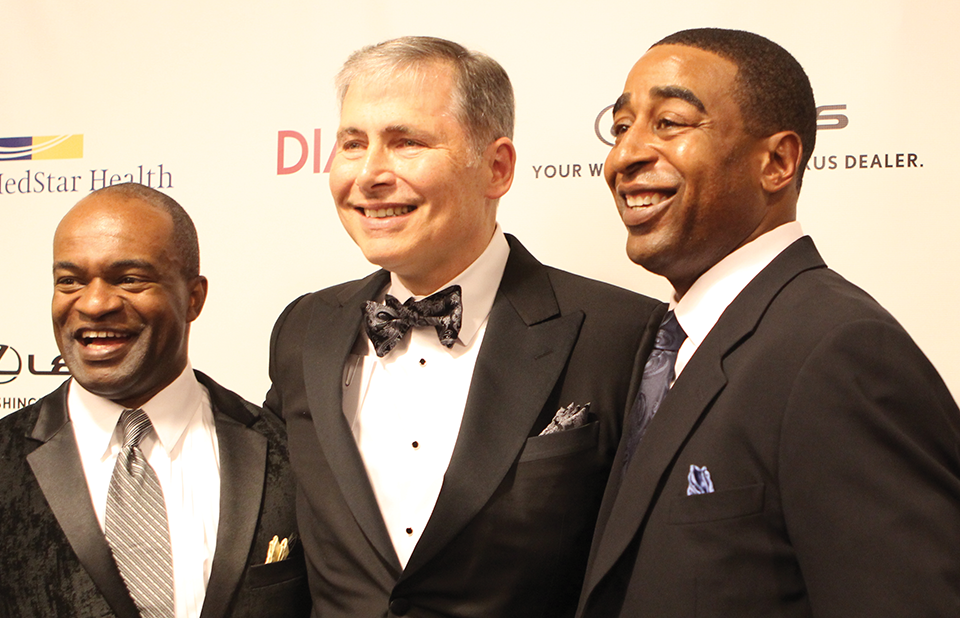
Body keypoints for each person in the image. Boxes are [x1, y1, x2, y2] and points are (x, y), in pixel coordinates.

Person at [264, 36, 661, 618]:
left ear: (496, 168)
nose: (370, 173)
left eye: (406, 143)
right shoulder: (304, 330)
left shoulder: (622, 334)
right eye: (352, 143)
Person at [576, 28, 960, 618]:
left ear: (777, 161)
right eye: (623, 126)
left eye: (670, 122)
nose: (624, 156)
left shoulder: (839, 351)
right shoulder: (658, 347)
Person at [0, 183, 310, 618]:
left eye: (129, 279)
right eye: (70, 281)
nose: (94, 303)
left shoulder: (291, 454)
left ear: (194, 298)